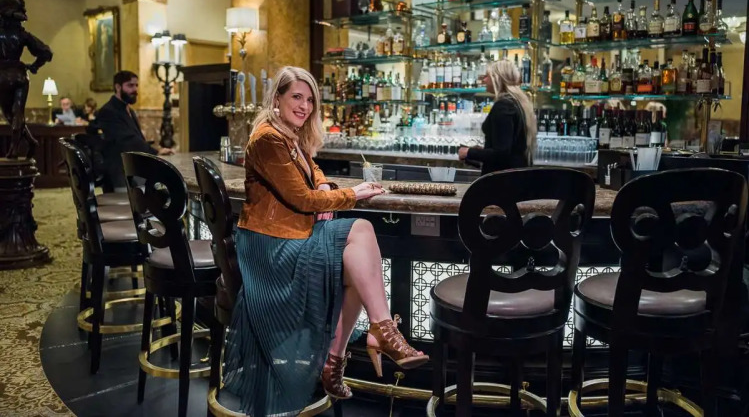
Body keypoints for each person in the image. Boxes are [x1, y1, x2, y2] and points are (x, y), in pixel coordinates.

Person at [223, 66, 428, 416]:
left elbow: (312, 172)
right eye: (296, 97)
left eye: (310, 100)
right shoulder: (268, 139)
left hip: (290, 235)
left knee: (358, 268)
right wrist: (352, 193)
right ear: (277, 99)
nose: (304, 106)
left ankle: (338, 360)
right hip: (270, 248)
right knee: (361, 231)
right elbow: (302, 199)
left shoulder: (289, 135)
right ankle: (378, 334)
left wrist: (323, 184)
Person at [96, 70, 173, 190]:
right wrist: (155, 152)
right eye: (130, 85)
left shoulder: (129, 110)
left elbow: (136, 138)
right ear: (118, 87)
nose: (135, 89)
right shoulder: (108, 111)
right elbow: (127, 140)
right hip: (120, 173)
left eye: (136, 85)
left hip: (134, 168)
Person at [458, 59, 537, 174]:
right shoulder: (519, 103)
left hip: (502, 180)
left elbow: (501, 154)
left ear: (497, 79)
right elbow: (510, 148)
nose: (484, 80)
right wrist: (481, 152)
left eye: (487, 76)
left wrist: (469, 152)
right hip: (517, 175)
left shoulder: (503, 106)